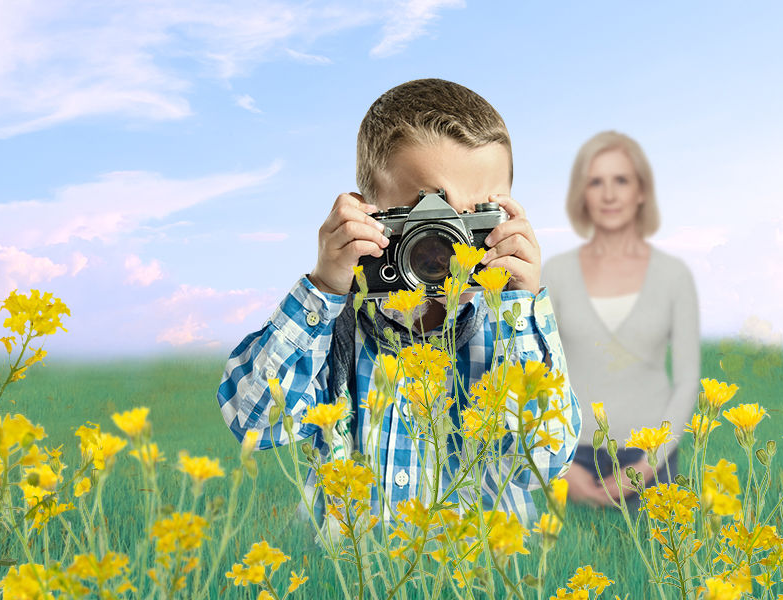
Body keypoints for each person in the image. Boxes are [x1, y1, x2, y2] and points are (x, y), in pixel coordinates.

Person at [216, 79, 581, 528]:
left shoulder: (506, 333)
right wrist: (325, 287)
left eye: (473, 218)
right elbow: (251, 421)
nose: (448, 243)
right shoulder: (333, 327)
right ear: (365, 215)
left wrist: (521, 311)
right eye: (425, 216)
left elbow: (543, 465)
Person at [541, 131, 699, 508]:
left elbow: (687, 380)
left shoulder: (674, 276)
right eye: (595, 182)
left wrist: (648, 464)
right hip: (570, 460)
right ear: (582, 194)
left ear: (641, 191)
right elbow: (540, 371)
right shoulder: (556, 274)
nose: (609, 194)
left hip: (652, 463)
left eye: (621, 180)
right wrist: (559, 465)